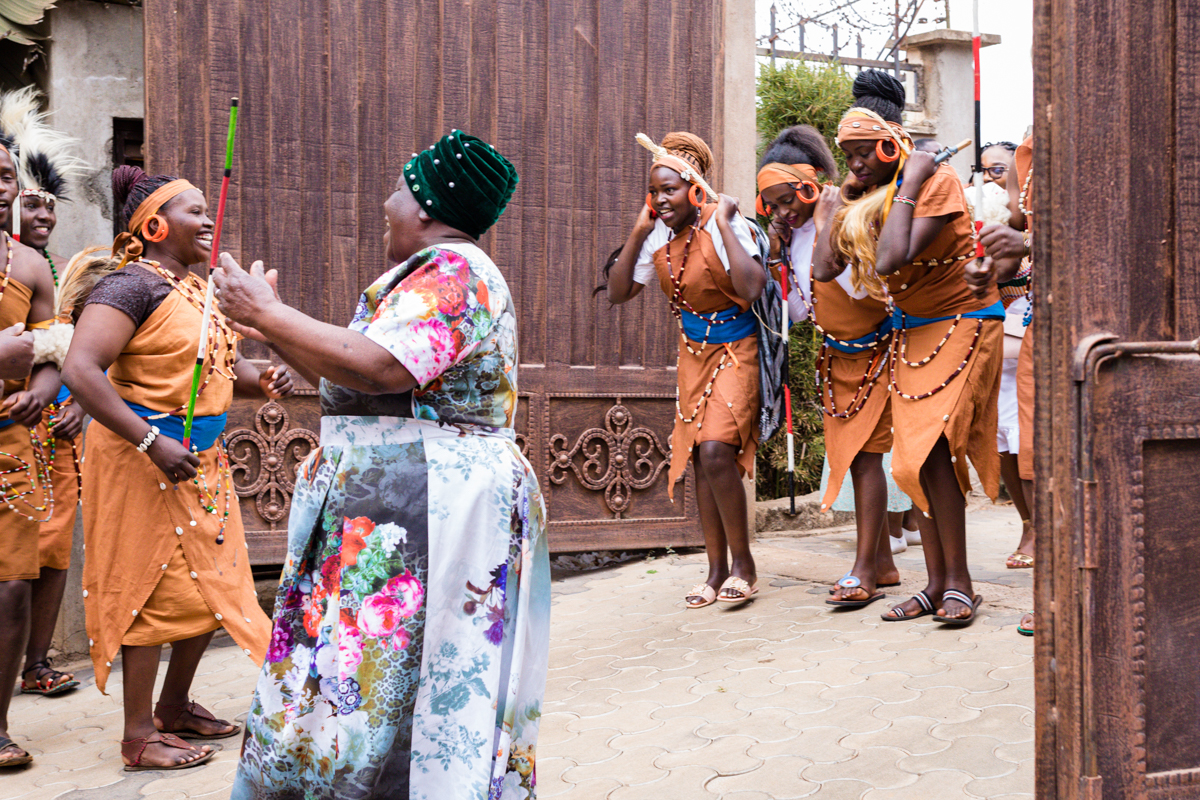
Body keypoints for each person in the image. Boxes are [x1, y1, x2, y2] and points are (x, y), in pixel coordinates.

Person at [221, 131, 549, 799]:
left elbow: (380, 365)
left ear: (428, 205)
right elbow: (370, 374)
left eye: (399, 188)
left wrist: (272, 312)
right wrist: (275, 329)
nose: (386, 201)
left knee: (397, 691)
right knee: (368, 690)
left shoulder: (456, 272)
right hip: (408, 513)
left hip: (432, 521)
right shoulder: (433, 275)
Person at [61, 166, 293, 770]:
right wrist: (149, 443)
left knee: (209, 583)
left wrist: (261, 374)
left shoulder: (199, 291)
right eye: (195, 211)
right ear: (156, 225)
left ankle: (175, 706)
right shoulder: (130, 286)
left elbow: (217, 368)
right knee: (150, 589)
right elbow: (81, 371)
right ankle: (138, 735)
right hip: (140, 459)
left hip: (196, 461)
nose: (208, 219)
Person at [813, 70, 1004, 626]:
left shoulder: (935, 179)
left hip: (965, 319)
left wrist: (913, 181)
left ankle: (960, 584)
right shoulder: (873, 193)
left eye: (861, 154)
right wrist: (834, 211)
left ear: (890, 143)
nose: (855, 166)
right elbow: (825, 268)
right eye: (846, 156)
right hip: (913, 330)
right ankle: (936, 584)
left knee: (929, 450)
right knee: (921, 459)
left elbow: (893, 256)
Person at [606, 131, 764, 608]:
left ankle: (745, 566)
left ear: (696, 190)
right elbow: (617, 293)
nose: (659, 199)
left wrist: (727, 223)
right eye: (654, 191)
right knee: (699, 455)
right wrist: (637, 231)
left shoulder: (724, 223)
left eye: (669, 189)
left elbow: (753, 287)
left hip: (737, 348)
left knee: (716, 450)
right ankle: (715, 571)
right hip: (693, 354)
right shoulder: (657, 234)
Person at [758, 125, 898, 608]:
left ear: (810, 186)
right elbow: (797, 312)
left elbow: (863, 290)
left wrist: (825, 224)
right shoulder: (790, 237)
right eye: (771, 204)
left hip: (877, 350)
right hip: (835, 355)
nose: (782, 211)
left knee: (864, 457)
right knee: (853, 458)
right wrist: (778, 251)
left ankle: (865, 572)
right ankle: (881, 562)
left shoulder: (846, 219)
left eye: (787, 199)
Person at [4, 87, 90, 699]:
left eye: (48, 205)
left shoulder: (58, 269)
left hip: (40, 435)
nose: (42, 214)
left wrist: (69, 398)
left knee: (44, 553)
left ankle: (33, 664)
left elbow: (74, 351)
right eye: (30, 202)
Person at [0, 138, 62, 769]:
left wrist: (39, 393)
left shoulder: (31, 266)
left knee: (13, 588)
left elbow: (49, 354)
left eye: (7, 176)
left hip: (9, 447)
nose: (0, 186)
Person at [969, 133, 1036, 636]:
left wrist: (1028, 245)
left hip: (1044, 323)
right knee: (1010, 441)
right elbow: (1015, 238)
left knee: (1039, 446)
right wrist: (990, 266)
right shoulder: (1024, 163)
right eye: (989, 170)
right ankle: (1032, 526)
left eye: (1000, 170)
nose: (997, 178)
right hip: (1008, 325)